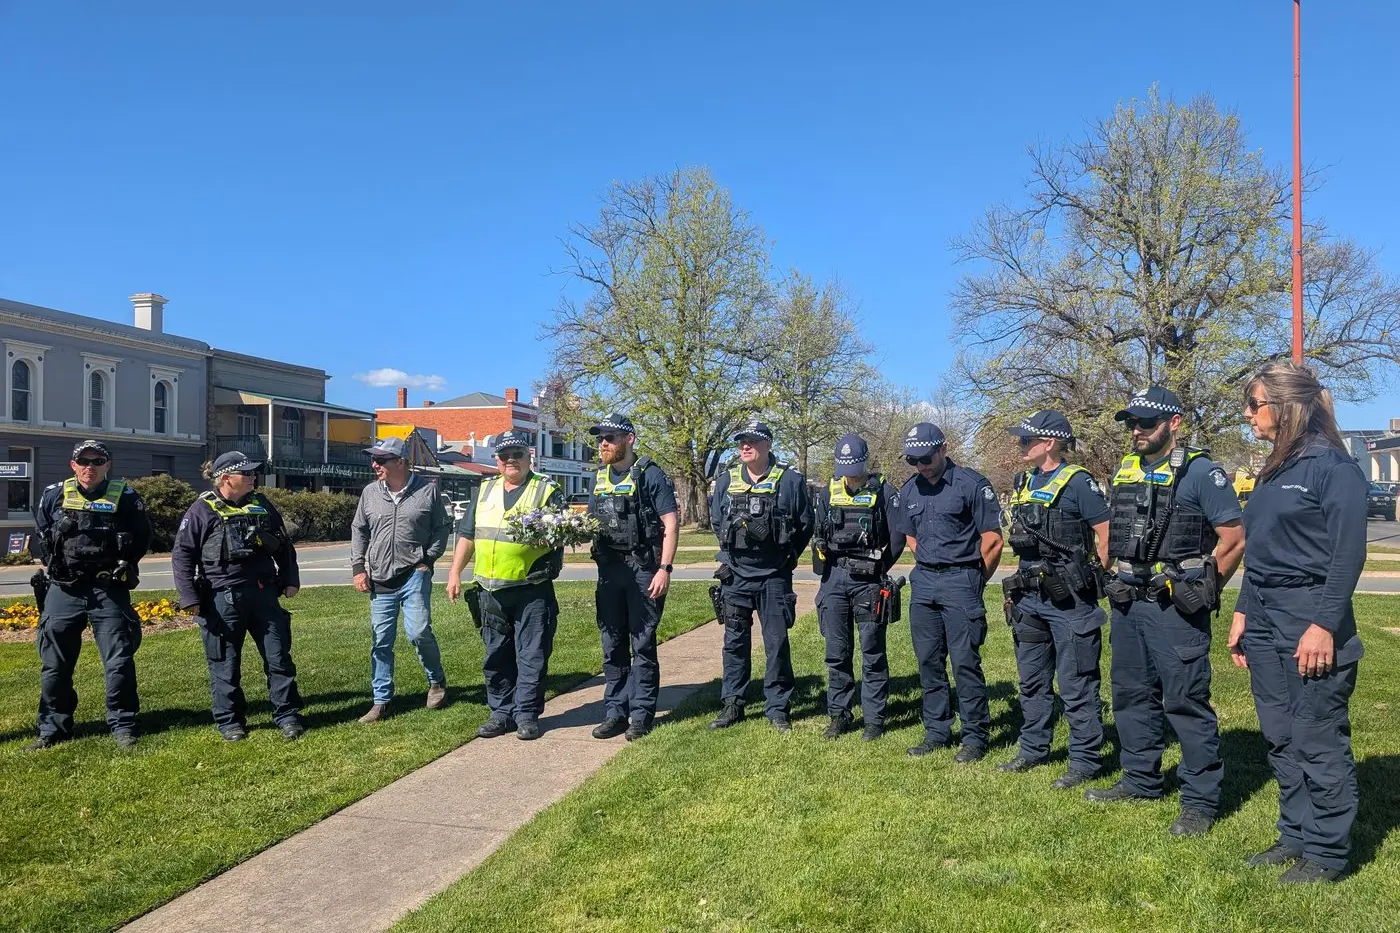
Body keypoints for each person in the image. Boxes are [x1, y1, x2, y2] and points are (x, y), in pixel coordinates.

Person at [1228, 363, 1366, 883]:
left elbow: (1347, 556)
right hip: (1264, 615)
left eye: (1255, 404)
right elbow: (1261, 552)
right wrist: (1244, 610)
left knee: (1316, 737)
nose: (1248, 414)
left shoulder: (1333, 468)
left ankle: (1328, 853)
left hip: (1310, 616)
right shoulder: (1273, 469)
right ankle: (1297, 834)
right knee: (1282, 736)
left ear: (1286, 406)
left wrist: (1324, 624)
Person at [1089, 386, 1245, 837]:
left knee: (1184, 701)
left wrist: (1206, 588)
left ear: (1174, 422)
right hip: (1128, 600)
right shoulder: (1126, 469)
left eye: (1146, 422)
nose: (1136, 430)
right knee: (1130, 693)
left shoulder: (1201, 473)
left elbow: (1233, 539)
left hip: (1175, 606)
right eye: (1131, 423)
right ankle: (1141, 779)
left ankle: (1200, 801)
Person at [998, 411, 1109, 788]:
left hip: (1070, 601)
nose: (1020, 446)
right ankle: (1033, 749)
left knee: (1077, 683)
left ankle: (1085, 760)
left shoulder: (1079, 483)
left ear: (1049, 443)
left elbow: (1105, 535)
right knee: (1031, 681)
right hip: (1029, 598)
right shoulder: (1023, 481)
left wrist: (1093, 574)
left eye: (1026, 440)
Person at [171, 451, 305, 741]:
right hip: (221, 598)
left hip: (264, 594)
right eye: (246, 474)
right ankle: (230, 721)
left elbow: (284, 545)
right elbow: (182, 555)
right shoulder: (201, 510)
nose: (253, 477)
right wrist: (189, 597)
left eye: (253, 473)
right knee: (225, 664)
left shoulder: (261, 504)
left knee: (279, 657)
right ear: (226, 478)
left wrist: (290, 579)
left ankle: (288, 715)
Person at [26, 440, 151, 750]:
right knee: (54, 664)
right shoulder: (54, 495)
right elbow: (43, 535)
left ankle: (123, 724)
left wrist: (124, 567)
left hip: (107, 589)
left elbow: (142, 537)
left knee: (118, 661)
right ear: (73, 465)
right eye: (84, 461)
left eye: (97, 461)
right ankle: (53, 727)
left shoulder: (126, 497)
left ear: (107, 466)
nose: (89, 467)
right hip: (64, 589)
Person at [446, 430, 566, 741]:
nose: (510, 460)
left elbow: (560, 534)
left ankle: (526, 714)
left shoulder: (547, 489)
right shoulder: (484, 490)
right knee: (496, 655)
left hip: (531, 588)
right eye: (504, 455)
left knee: (531, 654)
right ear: (497, 460)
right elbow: (467, 535)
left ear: (529, 457)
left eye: (517, 454)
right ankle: (501, 712)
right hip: (490, 590)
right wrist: (455, 572)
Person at [896, 423, 1003, 762]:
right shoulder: (910, 489)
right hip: (924, 582)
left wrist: (974, 579)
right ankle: (937, 731)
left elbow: (993, 540)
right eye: (914, 460)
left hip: (962, 581)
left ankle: (974, 737)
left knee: (965, 662)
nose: (921, 466)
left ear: (943, 448)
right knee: (928, 662)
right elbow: (910, 536)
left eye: (926, 458)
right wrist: (928, 561)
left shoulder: (971, 484)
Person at [708, 419, 814, 733]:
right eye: (741, 441)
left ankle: (778, 708)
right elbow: (717, 521)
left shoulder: (790, 480)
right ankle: (733, 704)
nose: (745, 446)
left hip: (774, 577)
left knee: (777, 643)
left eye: (752, 441)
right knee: (734, 642)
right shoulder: (727, 480)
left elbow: (805, 524)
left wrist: (786, 557)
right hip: (736, 576)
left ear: (768, 444)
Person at [585, 414, 679, 741]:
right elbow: (592, 522)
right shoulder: (597, 479)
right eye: (600, 438)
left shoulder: (650, 475)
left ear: (630, 439)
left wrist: (665, 569)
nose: (604, 444)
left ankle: (640, 714)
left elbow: (670, 522)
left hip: (643, 570)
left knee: (642, 644)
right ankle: (615, 712)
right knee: (612, 644)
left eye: (610, 437)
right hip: (609, 571)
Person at [351, 436, 451, 723]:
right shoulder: (370, 493)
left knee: (419, 632)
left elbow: (441, 528)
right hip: (379, 578)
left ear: (400, 462)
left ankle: (437, 682)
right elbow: (359, 530)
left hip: (413, 574)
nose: (375, 465)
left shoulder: (427, 492)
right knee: (381, 641)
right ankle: (381, 701)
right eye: (374, 460)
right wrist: (359, 568)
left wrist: (427, 560)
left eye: (381, 460)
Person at [811, 434, 905, 741]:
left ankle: (874, 719)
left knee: (872, 651)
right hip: (835, 579)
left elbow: (898, 537)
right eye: (843, 465)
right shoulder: (827, 493)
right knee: (837, 652)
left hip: (869, 581)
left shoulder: (885, 492)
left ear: (866, 461)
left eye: (854, 465)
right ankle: (839, 714)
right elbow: (819, 533)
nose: (849, 472)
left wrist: (879, 568)